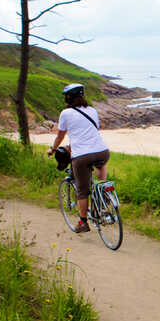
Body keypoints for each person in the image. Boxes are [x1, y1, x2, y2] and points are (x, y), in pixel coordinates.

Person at [46, 83, 110, 233]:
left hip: (82, 156)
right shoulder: (92, 110)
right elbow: (91, 131)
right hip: (102, 151)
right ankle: (103, 193)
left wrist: (53, 149)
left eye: (66, 96)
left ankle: (83, 223)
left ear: (69, 97)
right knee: (100, 169)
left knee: (82, 191)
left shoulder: (65, 113)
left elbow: (60, 135)